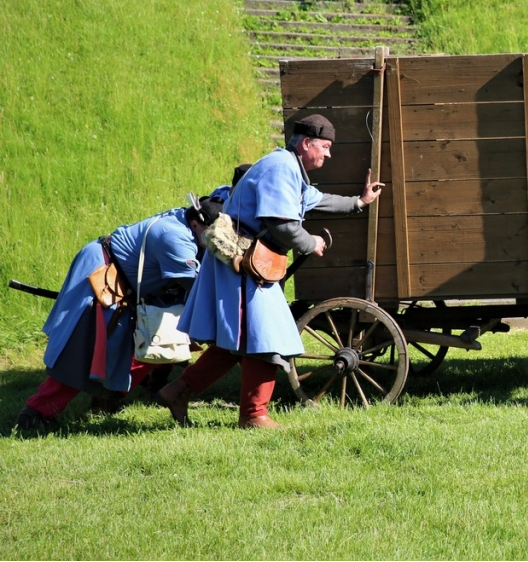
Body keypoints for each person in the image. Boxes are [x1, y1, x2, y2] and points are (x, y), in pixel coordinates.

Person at [158, 114, 385, 429]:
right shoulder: (281, 168)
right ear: (306, 143)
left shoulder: (290, 168)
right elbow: (282, 224)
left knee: (239, 342)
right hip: (242, 266)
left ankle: (178, 392)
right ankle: (253, 415)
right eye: (325, 146)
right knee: (268, 337)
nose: (329, 154)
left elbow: (316, 201)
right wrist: (310, 241)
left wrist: (359, 202)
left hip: (249, 266)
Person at [15, 196, 223, 433]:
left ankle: (106, 398)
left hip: (127, 285)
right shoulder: (175, 237)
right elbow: (196, 290)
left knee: (152, 344)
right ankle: (35, 413)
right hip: (102, 277)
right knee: (81, 352)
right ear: (196, 224)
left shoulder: (187, 222)